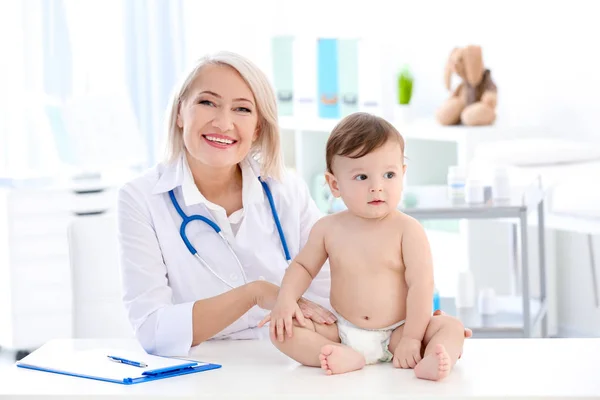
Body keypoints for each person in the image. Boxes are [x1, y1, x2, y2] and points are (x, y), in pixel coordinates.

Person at [118, 50, 471, 358]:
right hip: (205, 367)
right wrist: (257, 294)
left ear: (257, 128)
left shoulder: (284, 189)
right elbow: (153, 331)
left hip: (296, 361)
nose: (223, 122)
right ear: (180, 112)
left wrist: (410, 327)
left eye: (242, 109)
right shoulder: (141, 199)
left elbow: (338, 287)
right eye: (207, 102)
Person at [259, 112, 465, 381]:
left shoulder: (408, 230)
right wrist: (285, 301)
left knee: (451, 327)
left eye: (389, 174)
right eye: (361, 177)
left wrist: (413, 338)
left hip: (398, 332)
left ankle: (432, 361)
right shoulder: (327, 228)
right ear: (335, 184)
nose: (377, 187)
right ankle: (337, 354)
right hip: (342, 331)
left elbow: (421, 286)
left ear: (402, 174)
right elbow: (302, 267)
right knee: (282, 331)